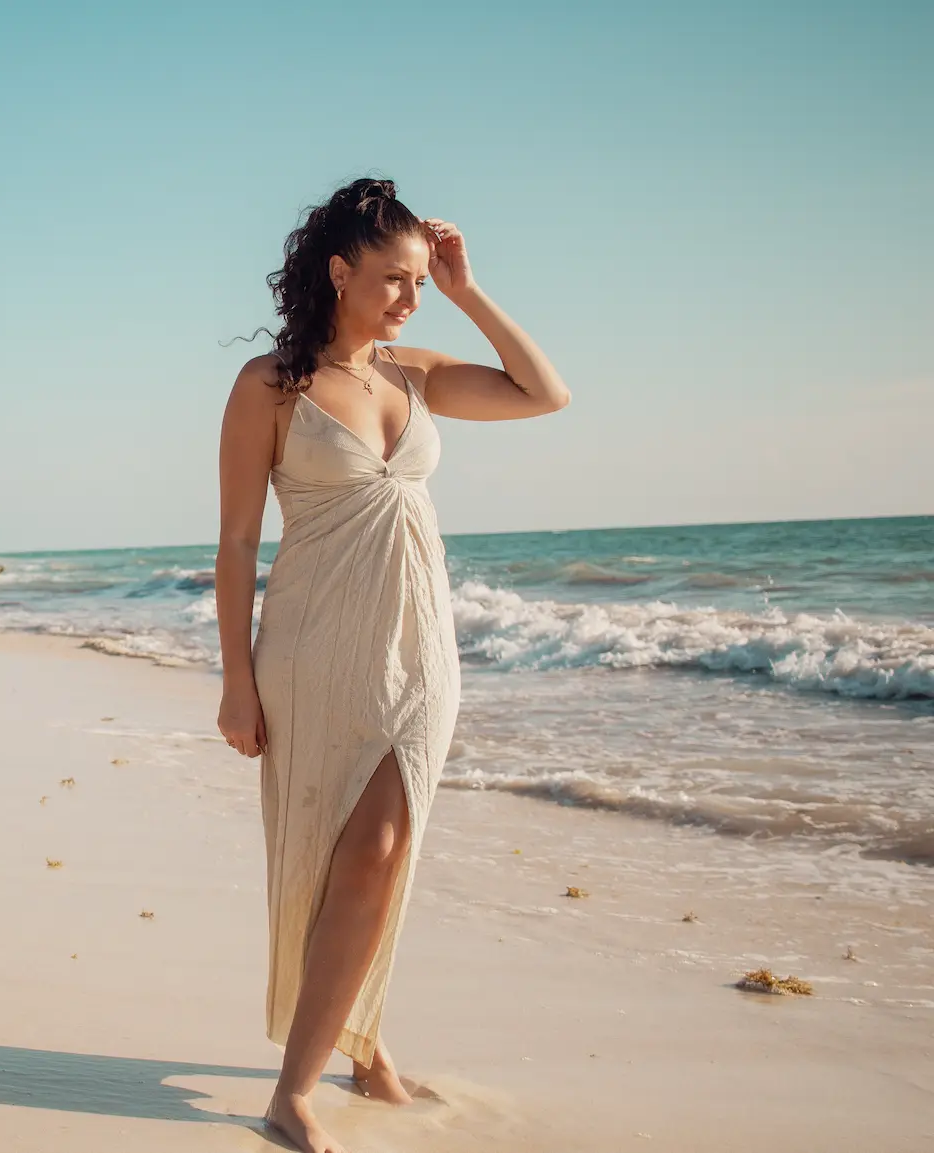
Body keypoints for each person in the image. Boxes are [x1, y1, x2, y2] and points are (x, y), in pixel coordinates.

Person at [215, 177, 569, 1153]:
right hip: (315, 651)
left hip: (421, 653)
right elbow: (239, 542)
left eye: (419, 280)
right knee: (336, 860)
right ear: (338, 272)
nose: (409, 297)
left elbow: (545, 392)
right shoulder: (268, 387)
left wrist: (467, 291)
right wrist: (235, 678)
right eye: (395, 279)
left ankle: (343, 1051)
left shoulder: (413, 375)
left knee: (380, 855)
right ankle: (314, 1080)